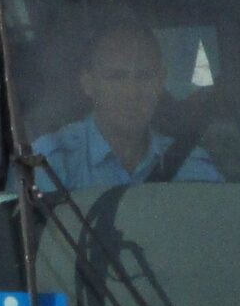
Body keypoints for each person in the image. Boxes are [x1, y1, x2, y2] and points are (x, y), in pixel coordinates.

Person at [25, 13, 221, 192]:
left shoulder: (191, 165)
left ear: (161, 82)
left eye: (144, 76)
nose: (131, 92)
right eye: (116, 77)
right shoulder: (50, 163)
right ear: (88, 84)